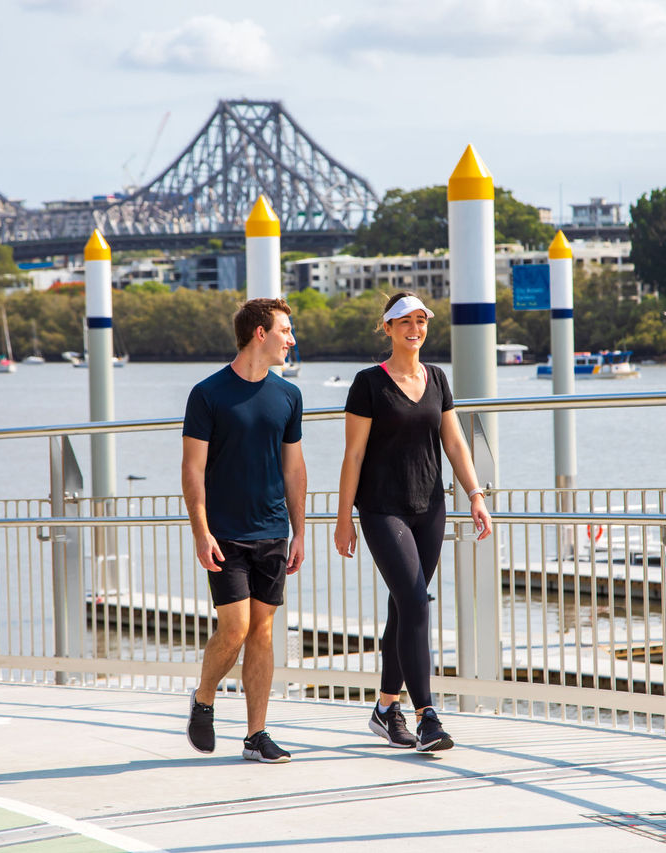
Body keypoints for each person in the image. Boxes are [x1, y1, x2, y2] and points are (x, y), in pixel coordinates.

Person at [334, 291, 492, 752]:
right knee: (416, 600)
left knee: (404, 607)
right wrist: (344, 519)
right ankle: (427, 716)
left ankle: (386, 708)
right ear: (387, 328)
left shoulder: (438, 378)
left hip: (430, 507)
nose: (414, 328)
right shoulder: (368, 383)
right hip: (382, 508)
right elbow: (354, 454)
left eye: (421, 320)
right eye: (404, 321)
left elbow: (456, 445)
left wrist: (476, 496)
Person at [182, 298, 306, 764]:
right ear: (260, 332)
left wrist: (299, 531)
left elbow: (294, 469)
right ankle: (204, 698)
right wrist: (201, 530)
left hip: (273, 531)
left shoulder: (289, 396)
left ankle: (257, 735)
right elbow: (192, 469)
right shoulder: (208, 394)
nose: (291, 340)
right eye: (285, 331)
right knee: (234, 627)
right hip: (225, 531)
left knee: (264, 633)